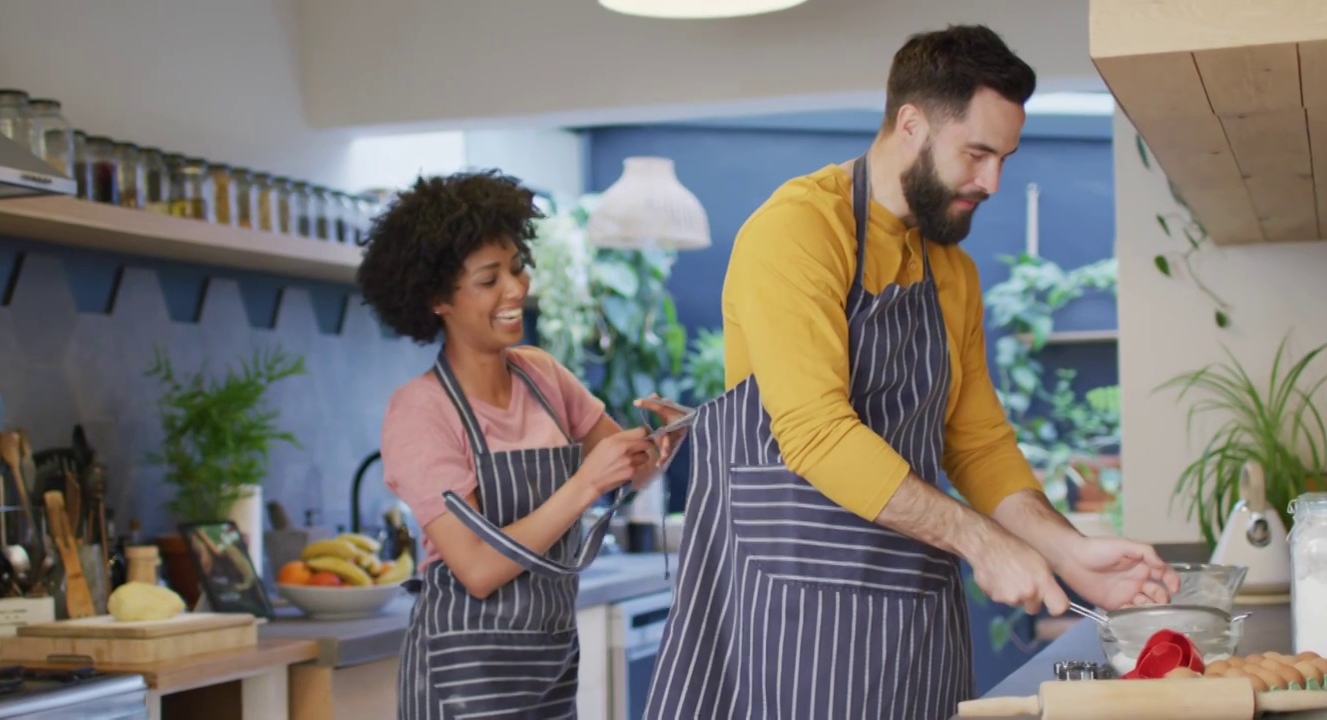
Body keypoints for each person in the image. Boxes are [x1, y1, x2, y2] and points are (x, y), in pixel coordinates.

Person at [645, 24, 1180, 719]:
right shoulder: (799, 230)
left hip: (915, 625)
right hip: (793, 627)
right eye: (978, 153)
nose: (992, 182)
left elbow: (978, 443)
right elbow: (813, 432)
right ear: (911, 123)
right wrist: (983, 541)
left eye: (1004, 158)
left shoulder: (951, 270)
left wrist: (1069, 552)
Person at [357, 170, 680, 719]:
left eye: (516, 267)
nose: (515, 289)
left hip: (549, 663)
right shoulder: (421, 411)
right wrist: (586, 483)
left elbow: (627, 470)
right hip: (464, 674)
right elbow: (478, 569)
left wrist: (659, 444)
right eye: (489, 280)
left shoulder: (542, 375)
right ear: (438, 299)